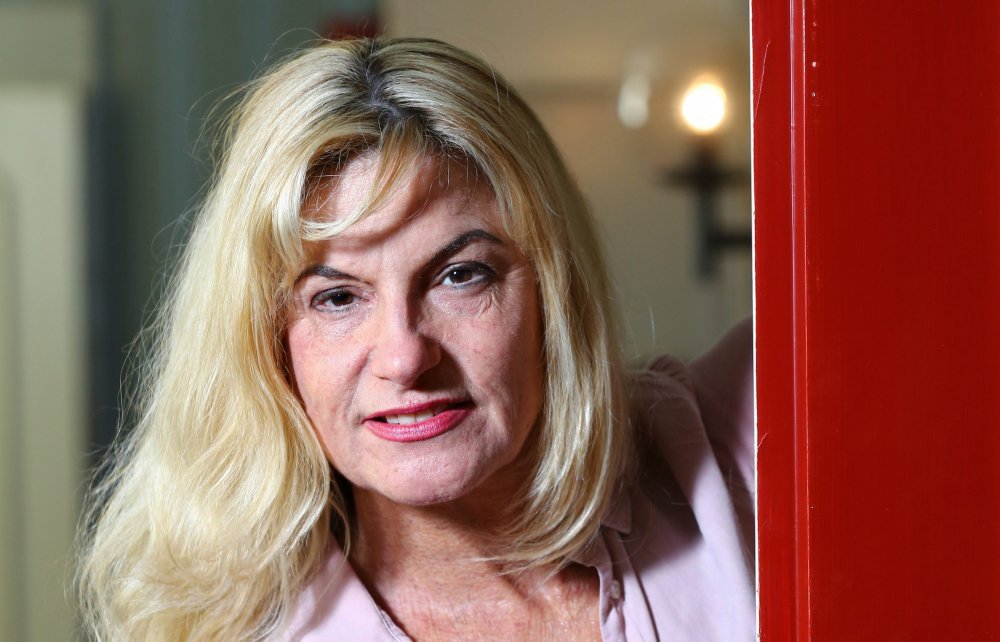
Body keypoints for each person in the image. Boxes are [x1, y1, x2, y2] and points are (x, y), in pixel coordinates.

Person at [77, 37, 754, 641]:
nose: (405, 357)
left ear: (554, 292)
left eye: (461, 275)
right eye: (338, 298)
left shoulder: (720, 447)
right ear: (269, 344)